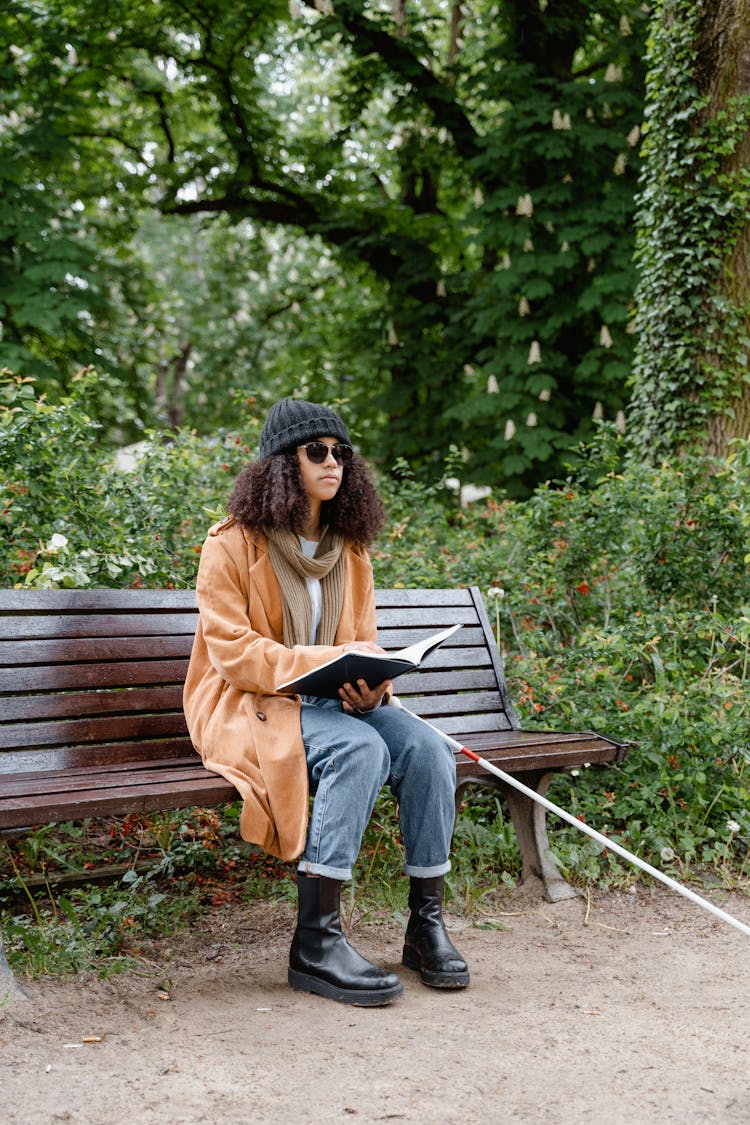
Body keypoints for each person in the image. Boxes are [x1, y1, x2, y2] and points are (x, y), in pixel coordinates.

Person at [183, 398, 469, 1006]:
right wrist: (321, 666)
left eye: (341, 453)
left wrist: (372, 682)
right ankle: (315, 941)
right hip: (249, 705)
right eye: (317, 451)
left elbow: (360, 641)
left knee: (428, 749)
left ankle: (425, 927)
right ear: (283, 464)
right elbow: (233, 654)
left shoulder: (351, 549)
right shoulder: (233, 545)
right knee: (360, 749)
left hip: (333, 704)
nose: (332, 462)